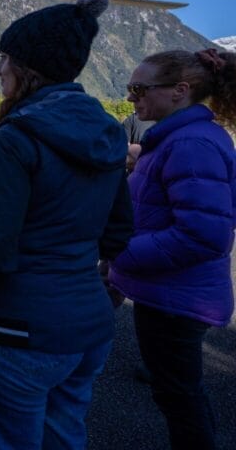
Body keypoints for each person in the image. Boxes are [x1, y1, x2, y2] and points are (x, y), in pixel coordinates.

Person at [0, 0, 134, 449]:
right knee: (65, 436)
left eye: (4, 57)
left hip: (17, 331)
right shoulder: (107, 132)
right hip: (88, 326)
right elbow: (119, 232)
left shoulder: (16, 139)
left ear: (27, 68)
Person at [109, 49, 236, 450]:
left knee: (180, 397)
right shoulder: (177, 137)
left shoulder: (191, 143)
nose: (131, 98)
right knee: (175, 392)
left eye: (139, 88)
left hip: (176, 298)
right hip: (167, 290)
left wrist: (120, 251)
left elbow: (202, 235)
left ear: (180, 91)